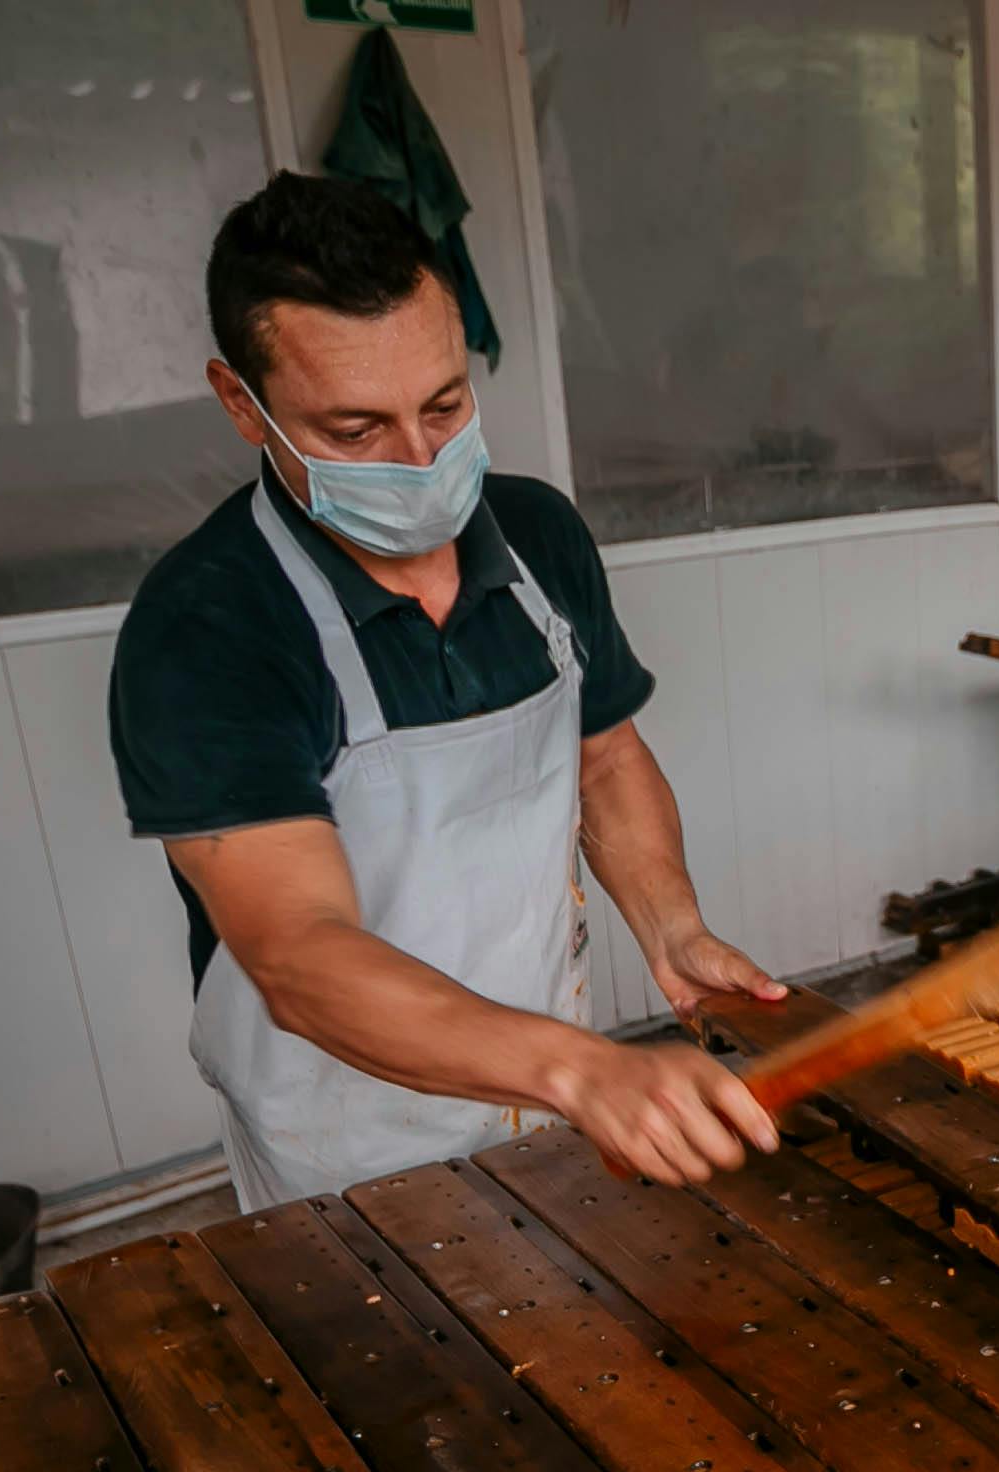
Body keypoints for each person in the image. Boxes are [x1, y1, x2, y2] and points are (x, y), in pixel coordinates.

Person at [110, 174, 785, 1211]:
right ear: (243, 403)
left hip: (548, 1094)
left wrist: (672, 924)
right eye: (354, 430)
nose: (421, 460)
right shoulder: (211, 624)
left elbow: (604, 756)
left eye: (445, 404)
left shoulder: (538, 538)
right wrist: (581, 1067)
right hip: (343, 1145)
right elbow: (297, 953)